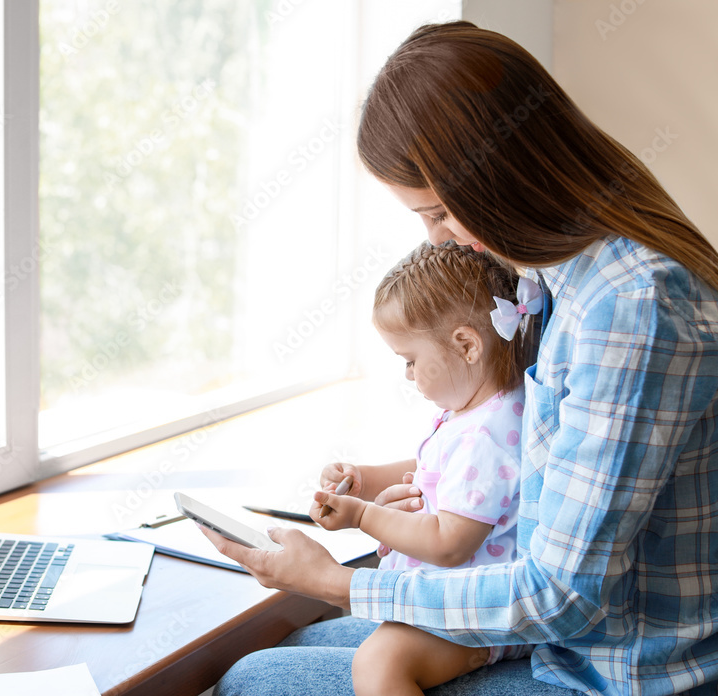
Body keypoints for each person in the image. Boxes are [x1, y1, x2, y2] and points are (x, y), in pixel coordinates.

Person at [200, 20, 718, 696]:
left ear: (501, 175)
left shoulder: (629, 309)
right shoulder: (560, 280)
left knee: (255, 683)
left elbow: (561, 596)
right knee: (294, 646)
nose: (443, 242)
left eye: (440, 214)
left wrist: (335, 580)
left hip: (608, 673)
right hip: (564, 642)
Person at [312, 239, 538, 695]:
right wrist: (363, 479)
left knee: (378, 664)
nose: (408, 375)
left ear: (466, 345)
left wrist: (362, 516)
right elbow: (429, 470)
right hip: (449, 603)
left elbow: (451, 543)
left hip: (477, 616)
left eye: (411, 360)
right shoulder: (474, 412)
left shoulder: (488, 435)